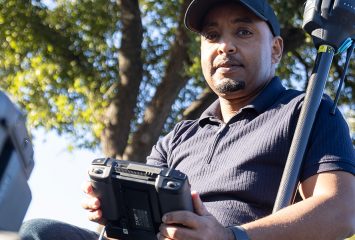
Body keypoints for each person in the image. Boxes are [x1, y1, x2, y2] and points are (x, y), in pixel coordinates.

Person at [20, 0, 355, 239]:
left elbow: (341, 210)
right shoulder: (178, 137)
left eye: (243, 32)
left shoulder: (307, 112)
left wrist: (229, 237)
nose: (225, 46)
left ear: (276, 49)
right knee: (40, 232)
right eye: (212, 35)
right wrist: (113, 209)